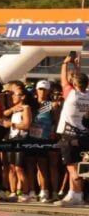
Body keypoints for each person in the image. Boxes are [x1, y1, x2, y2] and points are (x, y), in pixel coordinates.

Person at [54, 72, 89, 206]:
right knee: (76, 165)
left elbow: (64, 81)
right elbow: (78, 80)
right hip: (83, 133)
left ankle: (78, 196)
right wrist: (76, 68)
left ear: (74, 84)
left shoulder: (72, 95)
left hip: (69, 134)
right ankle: (72, 194)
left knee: (72, 167)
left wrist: (64, 64)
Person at [0, 81, 34, 202]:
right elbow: (3, 114)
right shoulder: (14, 108)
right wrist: (12, 109)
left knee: (19, 168)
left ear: (23, 96)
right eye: (13, 95)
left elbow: (26, 125)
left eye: (16, 95)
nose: (13, 97)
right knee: (11, 167)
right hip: (12, 139)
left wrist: (11, 124)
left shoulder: (26, 108)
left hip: (21, 139)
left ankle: (26, 192)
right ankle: (13, 192)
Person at [29, 79, 61, 202]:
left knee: (45, 165)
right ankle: (32, 191)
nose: (42, 91)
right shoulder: (31, 103)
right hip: (31, 138)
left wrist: (56, 134)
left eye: (45, 89)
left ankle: (47, 191)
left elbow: (57, 120)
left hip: (46, 139)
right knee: (31, 164)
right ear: (36, 90)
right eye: (40, 89)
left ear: (48, 91)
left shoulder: (52, 104)